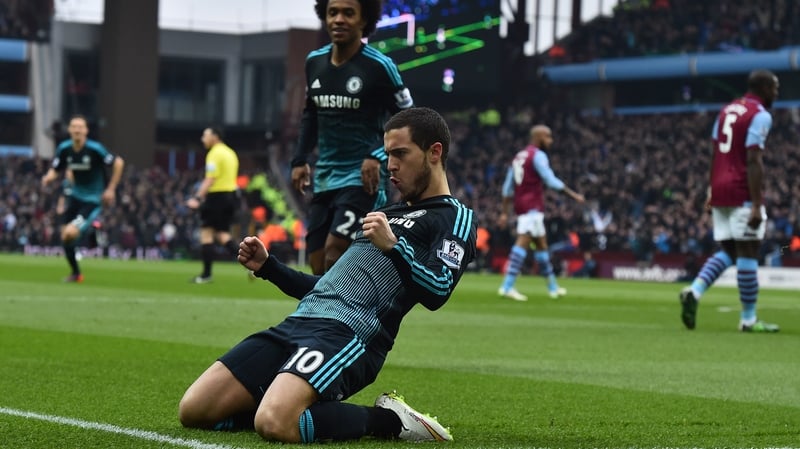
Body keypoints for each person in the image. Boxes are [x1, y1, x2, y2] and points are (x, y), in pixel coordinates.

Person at [178, 107, 476, 443]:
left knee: (275, 423)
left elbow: (438, 290)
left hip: (348, 335)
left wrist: (395, 248)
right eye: (388, 154)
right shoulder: (387, 213)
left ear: (434, 152)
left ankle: (391, 420)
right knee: (195, 410)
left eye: (400, 154)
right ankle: (285, 404)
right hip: (299, 322)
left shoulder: (454, 217)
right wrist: (269, 268)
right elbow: (330, 287)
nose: (390, 165)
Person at [290, 0, 414, 275]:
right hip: (325, 175)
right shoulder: (315, 63)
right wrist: (300, 158)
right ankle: (325, 316)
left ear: (364, 20)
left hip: (363, 176)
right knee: (317, 260)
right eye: (333, 12)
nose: (338, 19)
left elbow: (408, 119)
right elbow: (310, 114)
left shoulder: (380, 66)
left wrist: (377, 154)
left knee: (336, 250)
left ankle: (336, 315)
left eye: (348, 13)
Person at [679, 69, 780, 333]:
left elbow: (715, 152)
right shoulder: (760, 115)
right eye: (775, 89)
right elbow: (753, 159)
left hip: (721, 188)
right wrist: (757, 203)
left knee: (729, 251)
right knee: (748, 251)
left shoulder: (726, 110)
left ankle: (695, 290)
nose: (776, 94)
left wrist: (711, 189)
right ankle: (748, 319)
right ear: (764, 88)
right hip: (741, 190)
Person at [497, 124, 585, 301]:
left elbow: (507, 189)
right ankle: (507, 286)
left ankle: (553, 288)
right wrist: (574, 195)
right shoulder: (538, 155)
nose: (550, 141)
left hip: (522, 205)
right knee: (523, 242)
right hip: (532, 207)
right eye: (548, 137)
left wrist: (505, 213)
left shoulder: (518, 157)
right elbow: (551, 181)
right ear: (538, 138)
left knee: (541, 247)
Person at [40, 114, 124, 282]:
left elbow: (118, 162)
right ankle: (76, 273)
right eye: (74, 126)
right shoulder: (64, 148)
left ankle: (93, 230)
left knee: (71, 232)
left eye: (80, 127)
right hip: (74, 198)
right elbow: (57, 168)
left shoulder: (95, 149)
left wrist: (111, 189)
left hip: (92, 200)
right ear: (70, 130)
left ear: (86, 130)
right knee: (65, 237)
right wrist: (49, 177)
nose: (77, 130)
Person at [186, 126, 241, 283]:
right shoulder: (231, 153)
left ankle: (206, 274)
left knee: (206, 234)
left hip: (217, 197)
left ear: (215, 137)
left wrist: (197, 198)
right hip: (230, 196)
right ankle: (252, 265)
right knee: (222, 234)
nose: (203, 139)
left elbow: (211, 179)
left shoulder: (214, 154)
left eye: (205, 135)